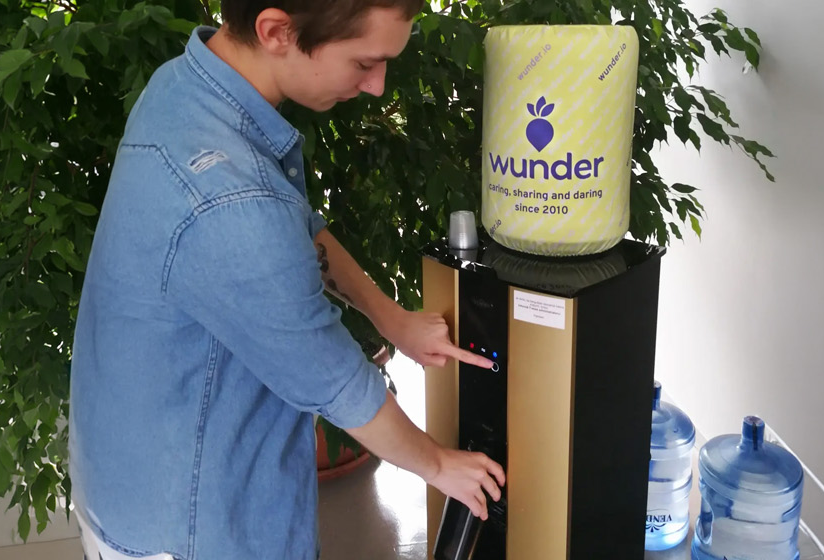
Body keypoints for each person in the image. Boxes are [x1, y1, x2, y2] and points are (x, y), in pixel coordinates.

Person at [67, 2, 505, 559]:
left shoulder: (186, 87)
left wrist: (392, 320)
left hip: (131, 471)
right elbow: (338, 384)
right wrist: (442, 465)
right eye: (365, 62)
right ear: (277, 31)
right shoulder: (234, 200)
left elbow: (292, 227)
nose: (377, 86)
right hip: (193, 528)